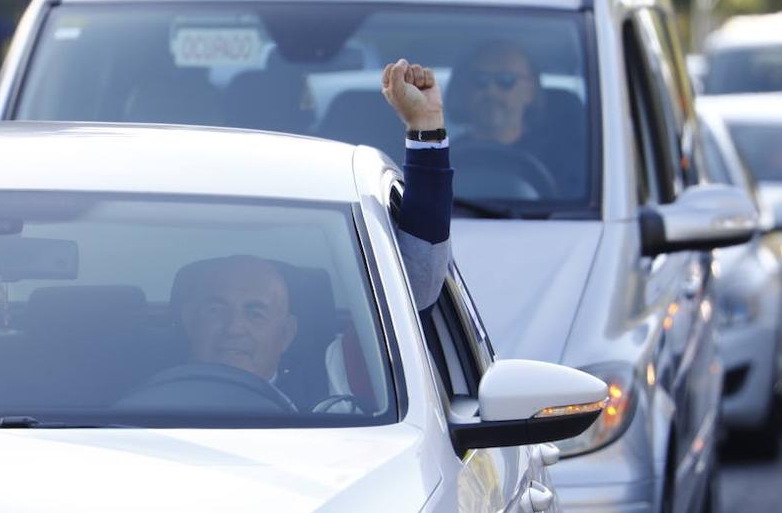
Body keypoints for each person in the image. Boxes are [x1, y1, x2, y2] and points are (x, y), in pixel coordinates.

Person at [174, 59, 452, 391]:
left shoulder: (340, 379)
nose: (235, 328)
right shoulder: (120, 398)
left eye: (255, 312)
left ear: (287, 333)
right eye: (215, 310)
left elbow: (418, 277)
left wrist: (426, 126)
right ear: (189, 321)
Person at [447, 41, 586, 196]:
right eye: (480, 80)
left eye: (506, 80)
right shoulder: (446, 159)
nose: (491, 91)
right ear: (465, 90)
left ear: (531, 90)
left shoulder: (565, 163)